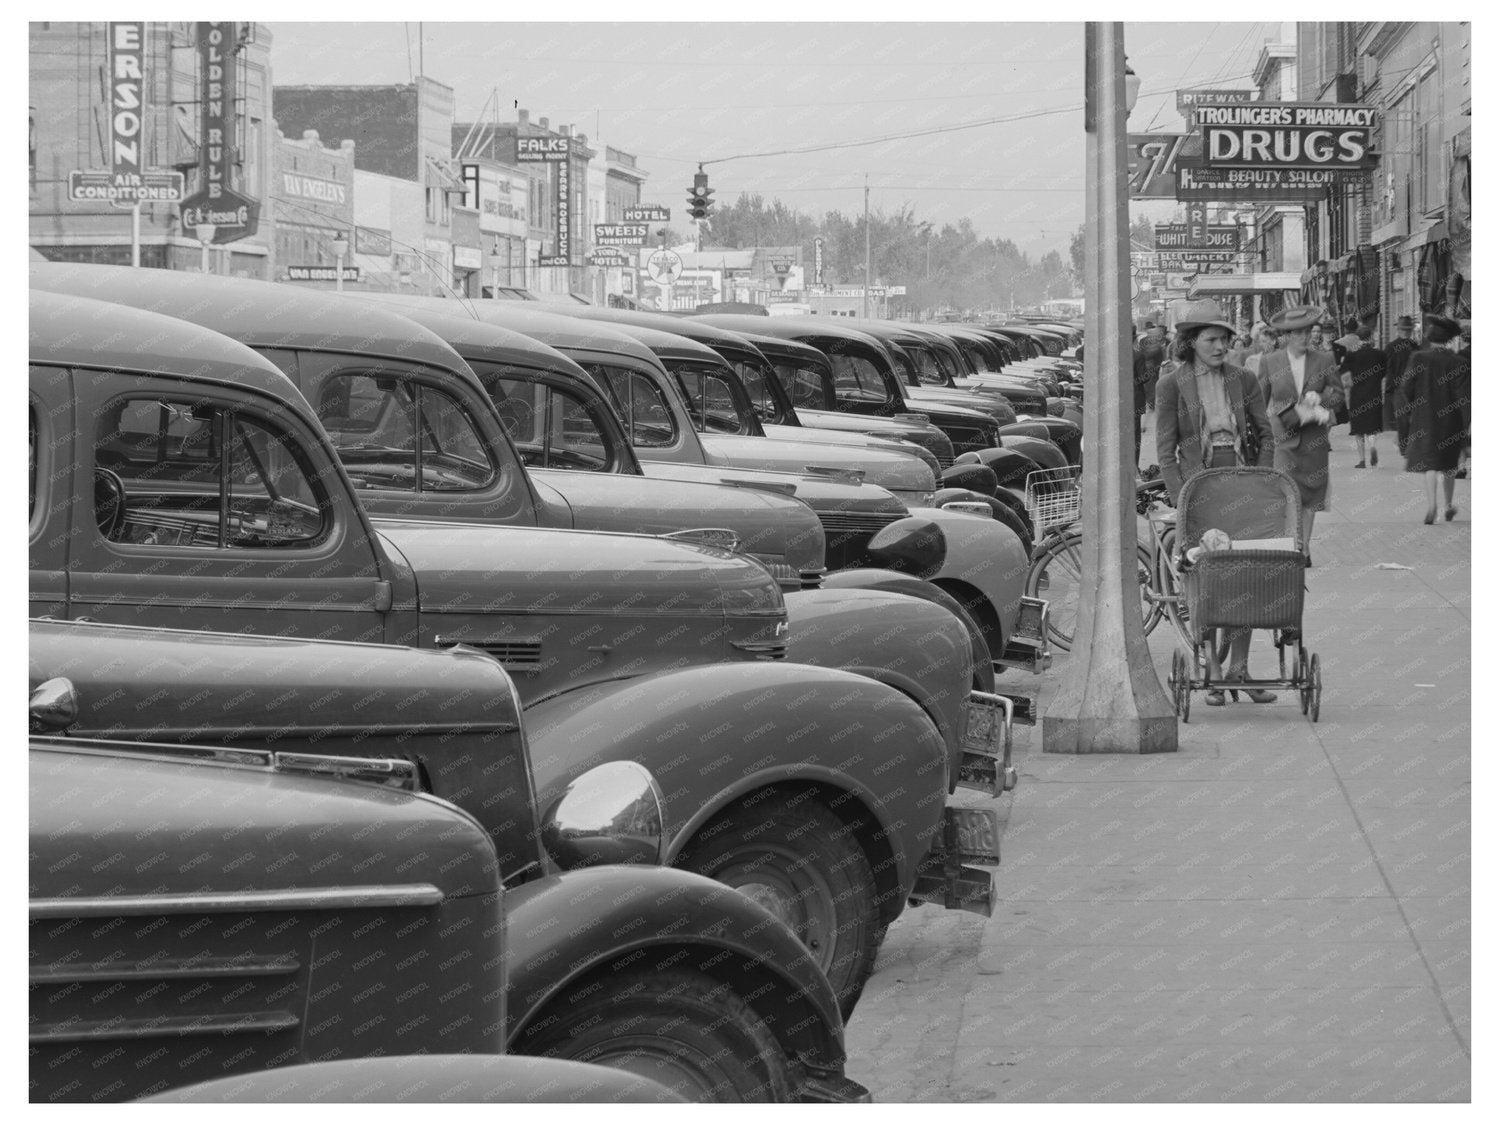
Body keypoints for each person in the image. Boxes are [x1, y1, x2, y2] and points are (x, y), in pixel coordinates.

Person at [1155, 298, 1275, 705]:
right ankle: (1212, 666)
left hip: (1244, 485)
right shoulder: (1171, 384)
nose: (1221, 347)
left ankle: (1240, 667)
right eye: (1211, 339)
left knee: (1248, 573)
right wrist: (1182, 498)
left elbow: (1266, 434)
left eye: (1225, 339)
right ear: (1191, 342)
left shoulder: (1244, 379)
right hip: (1199, 489)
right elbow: (1165, 451)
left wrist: (1264, 480)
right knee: (1206, 578)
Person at [1257, 304, 1344, 565]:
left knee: (1310, 494)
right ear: (1286, 335)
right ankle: (1292, 543)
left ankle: (1303, 549)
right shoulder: (1271, 361)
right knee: (1286, 493)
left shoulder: (1324, 359)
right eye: (1298, 333)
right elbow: (1260, 402)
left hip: (1314, 438)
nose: (1306, 337)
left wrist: (1322, 401)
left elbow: (1339, 395)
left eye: (1309, 331)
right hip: (1283, 438)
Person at [1401, 314, 1471, 523]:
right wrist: (1467, 423)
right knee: (1448, 464)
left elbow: (1407, 386)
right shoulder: (1459, 362)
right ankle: (1448, 505)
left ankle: (1432, 505)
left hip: (1424, 418)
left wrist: (1412, 406)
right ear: (1449, 339)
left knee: (1429, 463)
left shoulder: (1419, 358)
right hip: (1451, 420)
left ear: (1431, 338)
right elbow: (1464, 396)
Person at [1337, 325, 1387, 467]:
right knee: (1372, 427)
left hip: (1357, 394)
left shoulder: (1351, 355)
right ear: (1370, 337)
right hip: (1374, 393)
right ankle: (1372, 446)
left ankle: (1362, 460)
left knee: (1359, 429)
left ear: (1358, 338)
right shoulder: (1380, 354)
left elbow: (1343, 374)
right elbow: (1384, 372)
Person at [1383, 315, 1418, 453]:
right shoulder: (1415, 346)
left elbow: (1388, 369)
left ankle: (1404, 447)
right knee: (1411, 417)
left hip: (1398, 388)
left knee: (1402, 419)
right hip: (1412, 387)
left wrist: (1389, 387)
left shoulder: (1390, 347)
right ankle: (1408, 445)